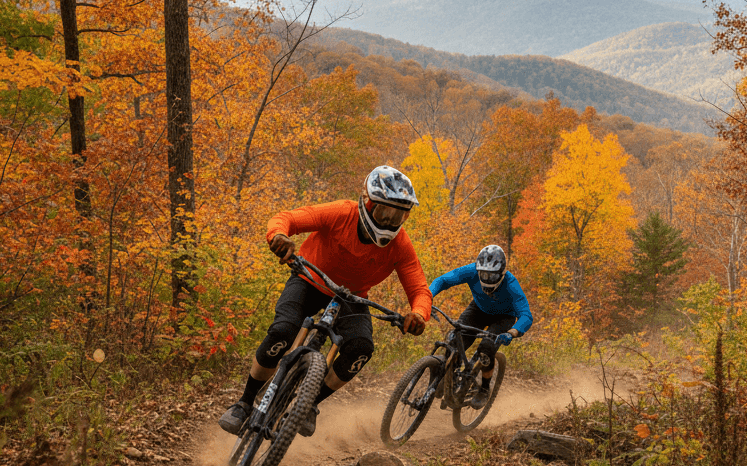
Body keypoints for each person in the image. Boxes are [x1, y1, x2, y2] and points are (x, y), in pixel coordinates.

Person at [219, 166, 431, 437]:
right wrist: (279, 236)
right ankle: (244, 403)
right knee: (282, 332)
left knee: (361, 349)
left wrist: (419, 314)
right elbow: (287, 219)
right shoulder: (341, 213)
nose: (390, 222)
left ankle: (309, 404)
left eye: (398, 215)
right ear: (367, 203)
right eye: (384, 213)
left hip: (352, 296)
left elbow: (419, 288)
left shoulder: (400, 244)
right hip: (310, 279)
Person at [429, 244, 532, 409]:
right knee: (455, 342)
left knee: (487, 349)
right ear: (478, 270)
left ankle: (484, 388)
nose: (487, 278)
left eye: (492, 275)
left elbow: (526, 315)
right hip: (478, 309)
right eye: (483, 274)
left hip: (503, 317)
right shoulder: (472, 271)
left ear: (502, 273)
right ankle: (451, 377)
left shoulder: (511, 283)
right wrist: (427, 298)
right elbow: (443, 280)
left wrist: (512, 332)